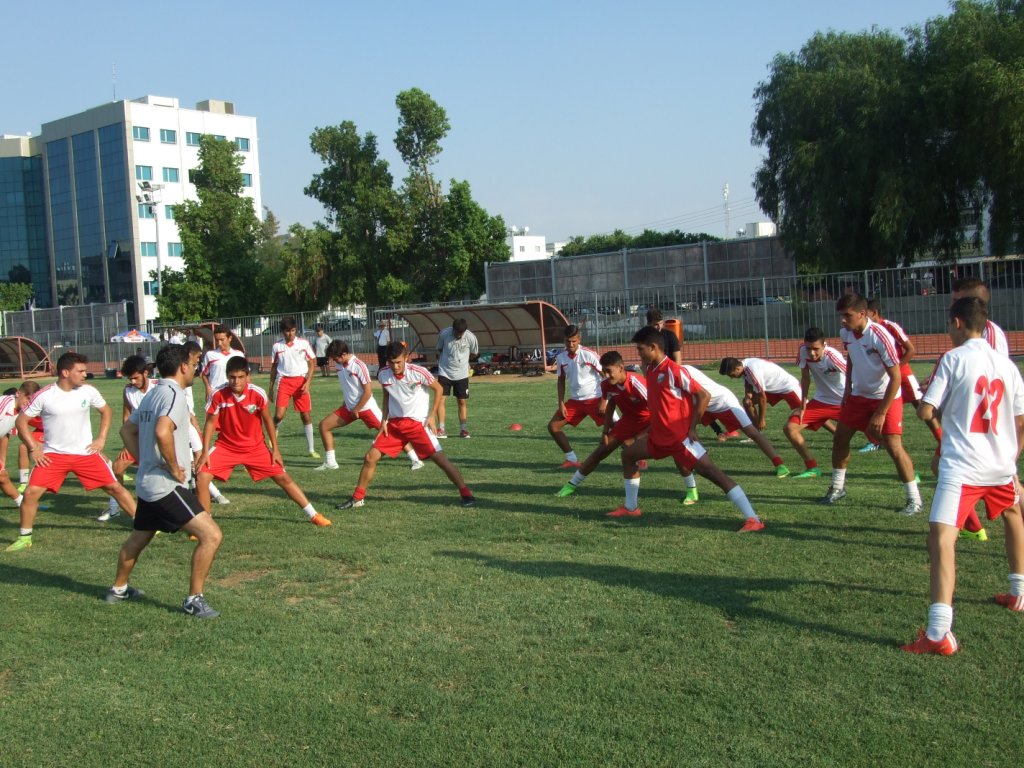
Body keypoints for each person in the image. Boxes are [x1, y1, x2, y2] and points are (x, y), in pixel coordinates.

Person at [901, 297, 1024, 655]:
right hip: (1001, 464)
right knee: (1015, 516)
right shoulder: (1007, 364)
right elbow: (1019, 421)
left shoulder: (952, 359)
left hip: (964, 467)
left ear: (957, 323)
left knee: (940, 538)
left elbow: (925, 411)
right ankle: (1018, 593)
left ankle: (939, 632)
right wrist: (1011, 458)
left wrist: (930, 398)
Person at [106, 344, 225, 619]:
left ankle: (118, 589)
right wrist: (173, 467)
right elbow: (162, 431)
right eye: (194, 363)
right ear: (183, 366)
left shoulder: (153, 393)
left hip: (147, 482)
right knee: (211, 535)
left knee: (140, 536)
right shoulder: (173, 394)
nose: (196, 368)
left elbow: (126, 430)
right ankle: (194, 600)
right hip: (165, 485)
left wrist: (144, 458)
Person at [612, 327, 764, 532]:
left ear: (653, 348)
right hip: (658, 437)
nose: (638, 354)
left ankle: (753, 519)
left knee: (714, 474)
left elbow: (704, 395)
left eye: (640, 349)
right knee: (628, 455)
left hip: (680, 439)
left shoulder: (674, 371)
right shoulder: (652, 370)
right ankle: (631, 508)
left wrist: (692, 427)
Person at [5, 352, 136, 552]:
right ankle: (25, 537)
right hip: (53, 456)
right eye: (81, 371)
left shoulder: (88, 391)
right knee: (31, 493)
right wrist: (34, 447)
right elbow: (21, 421)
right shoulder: (45, 395)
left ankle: (143, 524)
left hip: (85, 454)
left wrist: (101, 438)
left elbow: (106, 411)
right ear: (65, 372)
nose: (85, 374)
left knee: (115, 488)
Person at [335, 341, 475, 509]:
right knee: (370, 458)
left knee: (441, 461)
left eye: (399, 362)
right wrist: (384, 421)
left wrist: (431, 416)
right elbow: (387, 396)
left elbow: (438, 389)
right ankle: (358, 498)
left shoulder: (419, 372)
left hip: (418, 425)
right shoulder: (383, 374)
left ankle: (466, 493)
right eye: (391, 363)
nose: (395, 367)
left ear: (406, 358)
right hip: (395, 425)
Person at [195, 356, 331, 527]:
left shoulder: (257, 393)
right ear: (227, 376)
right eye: (232, 377)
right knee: (201, 476)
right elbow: (210, 423)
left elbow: (268, 421)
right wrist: (205, 451)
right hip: (226, 447)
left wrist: (275, 449)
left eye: (240, 377)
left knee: (283, 478)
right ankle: (204, 525)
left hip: (255, 448)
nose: (236, 381)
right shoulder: (218, 394)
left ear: (247, 376)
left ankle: (314, 515)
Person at [822, 293, 921, 514]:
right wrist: (847, 389)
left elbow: (896, 377)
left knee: (894, 447)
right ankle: (837, 488)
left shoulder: (880, 336)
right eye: (840, 316)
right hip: (858, 396)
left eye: (847, 316)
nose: (843, 321)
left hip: (885, 396)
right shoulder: (845, 333)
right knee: (840, 437)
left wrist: (880, 413)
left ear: (862, 313)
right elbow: (852, 362)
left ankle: (914, 499)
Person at [314, 340, 423, 472]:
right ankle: (331, 462)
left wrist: (357, 408)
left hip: (366, 408)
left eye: (335, 358)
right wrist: (347, 403)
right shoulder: (340, 366)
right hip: (349, 408)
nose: (333, 361)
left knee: (390, 432)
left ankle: (416, 459)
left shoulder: (358, 365)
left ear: (343, 354)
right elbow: (349, 388)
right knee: (324, 425)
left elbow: (368, 391)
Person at [556, 350, 650, 497]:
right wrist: (605, 431)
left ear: (621, 367)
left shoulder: (637, 384)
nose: (605, 375)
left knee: (675, 450)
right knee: (601, 450)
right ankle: (571, 484)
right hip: (628, 421)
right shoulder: (606, 384)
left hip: (649, 422)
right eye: (603, 371)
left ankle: (691, 488)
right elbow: (611, 403)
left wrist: (637, 438)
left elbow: (659, 414)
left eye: (609, 371)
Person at [684, 364, 792, 480]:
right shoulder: (667, 372)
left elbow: (705, 395)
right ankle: (698, 465)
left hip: (723, 402)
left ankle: (780, 465)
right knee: (683, 429)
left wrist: (693, 426)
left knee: (753, 433)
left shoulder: (680, 371)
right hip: (706, 404)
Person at [718, 356, 799, 477]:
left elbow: (762, 397)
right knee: (747, 403)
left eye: (731, 374)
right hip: (773, 389)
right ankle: (757, 435)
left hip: (787, 387)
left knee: (808, 414)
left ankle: (835, 431)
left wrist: (762, 419)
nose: (731, 377)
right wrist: (748, 397)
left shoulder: (751, 369)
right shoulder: (744, 368)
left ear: (738, 368)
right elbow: (748, 385)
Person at [784, 328, 846, 479]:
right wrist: (802, 404)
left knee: (879, 433)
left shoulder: (832, 356)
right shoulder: (802, 351)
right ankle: (812, 468)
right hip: (821, 401)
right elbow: (805, 378)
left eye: (816, 349)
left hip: (844, 402)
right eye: (809, 348)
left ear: (825, 345)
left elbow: (853, 376)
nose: (812, 353)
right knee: (790, 428)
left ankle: (909, 470)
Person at [100, 355, 154, 522]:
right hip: (138, 438)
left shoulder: (159, 387)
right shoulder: (128, 391)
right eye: (129, 378)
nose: (132, 381)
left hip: (158, 438)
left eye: (135, 377)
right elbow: (127, 417)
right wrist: (128, 441)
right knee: (117, 469)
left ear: (145, 373)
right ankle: (115, 508)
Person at [546, 324, 607, 468]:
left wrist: (604, 400)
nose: (571, 344)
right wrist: (561, 403)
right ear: (564, 340)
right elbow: (561, 380)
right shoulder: (561, 358)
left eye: (574, 341)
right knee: (553, 427)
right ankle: (572, 459)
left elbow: (606, 376)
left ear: (579, 339)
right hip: (575, 402)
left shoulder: (589, 354)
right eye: (568, 341)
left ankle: (636, 458)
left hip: (595, 399)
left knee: (618, 430)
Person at [179, 341, 229, 506]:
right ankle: (209, 493)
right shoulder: (182, 372)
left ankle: (208, 492)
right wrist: (192, 418)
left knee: (199, 458)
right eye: (198, 357)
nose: (199, 361)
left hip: (188, 420)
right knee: (190, 461)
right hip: (182, 422)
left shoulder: (189, 373)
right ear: (189, 355)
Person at [269, 316, 319, 458]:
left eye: (292, 330)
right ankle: (273, 438)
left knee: (305, 416)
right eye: (287, 331)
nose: (290, 334)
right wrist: (271, 388)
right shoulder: (277, 346)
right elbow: (273, 367)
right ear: (282, 331)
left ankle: (311, 449)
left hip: (301, 382)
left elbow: (311, 363)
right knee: (279, 415)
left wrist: (308, 383)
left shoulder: (303, 344)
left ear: (295, 330)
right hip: (284, 382)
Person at [435, 318, 479, 438]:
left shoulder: (470, 337)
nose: (459, 335)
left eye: (461, 333)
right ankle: (441, 429)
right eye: (457, 332)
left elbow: (475, 353)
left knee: (462, 401)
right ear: (453, 329)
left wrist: (463, 360)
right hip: (445, 372)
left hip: (462, 374)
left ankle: (463, 429)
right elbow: (439, 349)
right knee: (441, 400)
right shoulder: (444, 334)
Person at [201, 325, 243, 401]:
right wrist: (207, 388)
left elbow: (246, 375)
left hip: (233, 394)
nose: (219, 343)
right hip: (216, 393)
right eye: (217, 340)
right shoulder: (210, 355)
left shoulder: (239, 354)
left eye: (222, 340)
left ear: (230, 338)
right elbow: (204, 374)